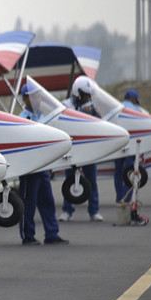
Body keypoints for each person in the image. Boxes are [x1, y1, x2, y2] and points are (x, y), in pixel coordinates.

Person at [18, 83, 69, 246]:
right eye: (34, 96)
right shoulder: (22, 117)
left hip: (43, 167)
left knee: (48, 202)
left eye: (39, 96)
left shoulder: (42, 116)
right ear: (25, 98)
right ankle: (28, 235)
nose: (38, 99)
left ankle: (52, 234)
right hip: (30, 169)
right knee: (29, 204)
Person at [58, 76, 103, 222]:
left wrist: (95, 114)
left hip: (88, 149)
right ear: (77, 93)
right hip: (72, 149)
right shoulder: (65, 106)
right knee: (69, 179)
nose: (88, 98)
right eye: (85, 95)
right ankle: (67, 210)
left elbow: (100, 124)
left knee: (91, 181)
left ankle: (94, 210)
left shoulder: (90, 107)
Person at [114, 89, 143, 204]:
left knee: (118, 172)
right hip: (131, 147)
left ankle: (119, 198)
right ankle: (128, 197)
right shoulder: (137, 111)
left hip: (118, 145)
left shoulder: (116, 108)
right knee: (131, 172)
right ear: (133, 99)